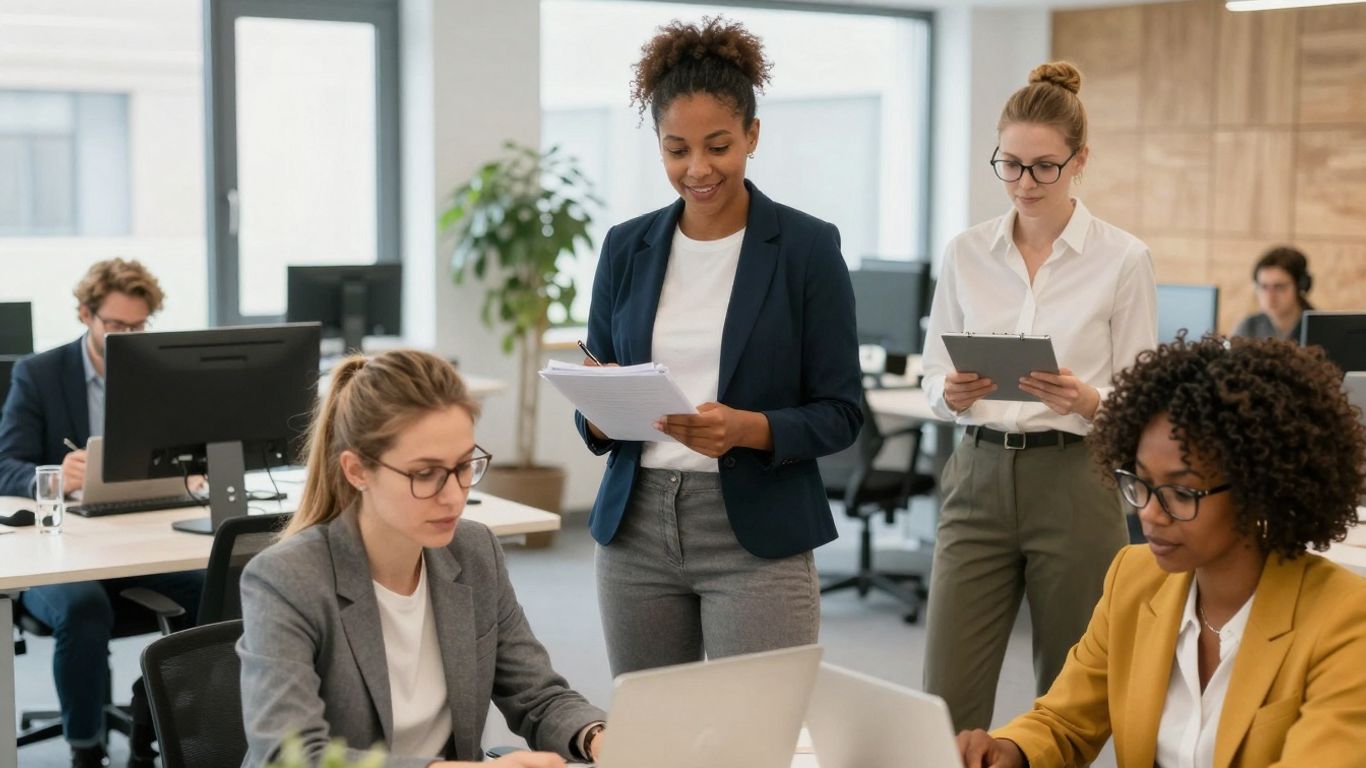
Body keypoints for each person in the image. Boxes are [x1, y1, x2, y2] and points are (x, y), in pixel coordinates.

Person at [574, 17, 862, 676]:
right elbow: (596, 375)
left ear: (752, 136)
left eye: (718, 145)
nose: (697, 169)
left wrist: (749, 429)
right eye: (677, 149)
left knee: (755, 734)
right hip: (635, 527)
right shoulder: (627, 245)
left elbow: (841, 411)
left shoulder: (806, 248)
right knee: (657, 734)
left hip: (757, 532)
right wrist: (596, 410)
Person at [957, 335, 1366, 768]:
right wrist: (1009, 751)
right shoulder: (1135, 579)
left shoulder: (1343, 620)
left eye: (1182, 492)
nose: (1150, 513)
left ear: (1259, 490)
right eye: (1140, 483)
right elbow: (1063, 722)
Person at [919, 61, 1158, 730]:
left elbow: (1143, 403)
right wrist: (951, 392)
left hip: (1075, 481)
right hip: (977, 475)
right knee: (945, 695)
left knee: (1070, 693)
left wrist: (1087, 399)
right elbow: (930, 373)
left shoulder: (1123, 258)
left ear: (1080, 160)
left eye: (1044, 166)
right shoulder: (966, 253)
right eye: (1010, 164)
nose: (1025, 183)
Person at [238, 350, 607, 768]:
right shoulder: (288, 578)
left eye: (464, 466)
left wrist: (599, 738)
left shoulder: (474, 552)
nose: (454, 496)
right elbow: (290, 756)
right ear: (357, 470)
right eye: (424, 474)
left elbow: (538, 695)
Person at [0, 258, 201, 768]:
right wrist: (52, 475)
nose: (127, 338)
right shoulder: (40, 374)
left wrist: (196, 468)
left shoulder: (159, 374)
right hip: (61, 553)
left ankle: (149, 716)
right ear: (86, 315)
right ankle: (86, 750)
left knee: (220, 589)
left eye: (138, 327)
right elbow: (5, 465)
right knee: (85, 609)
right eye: (116, 326)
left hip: (143, 541)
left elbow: (190, 448)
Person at [1232, 246, 1314, 341]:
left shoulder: (1320, 327)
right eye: (1264, 287)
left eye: (1279, 287)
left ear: (1301, 286)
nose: (1270, 296)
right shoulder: (1249, 328)